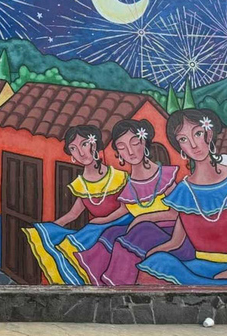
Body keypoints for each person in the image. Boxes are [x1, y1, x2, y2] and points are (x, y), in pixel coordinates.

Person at [137, 108, 227, 285]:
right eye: (183, 139)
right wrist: (152, 253)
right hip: (195, 268)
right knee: (155, 263)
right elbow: (176, 241)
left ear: (209, 133)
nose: (193, 145)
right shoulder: (184, 191)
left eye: (197, 133)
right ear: (180, 147)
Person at [75, 119, 191, 285]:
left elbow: (177, 213)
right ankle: (98, 282)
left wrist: (142, 219)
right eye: (122, 147)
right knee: (110, 232)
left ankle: (117, 283)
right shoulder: (130, 184)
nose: (130, 151)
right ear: (118, 153)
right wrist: (101, 221)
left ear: (144, 143)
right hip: (142, 235)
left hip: (172, 238)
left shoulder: (164, 175)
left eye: (135, 142)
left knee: (142, 229)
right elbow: (124, 210)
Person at [23, 125, 131, 285]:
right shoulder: (81, 184)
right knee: (67, 246)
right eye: (73, 148)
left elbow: (126, 208)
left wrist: (101, 221)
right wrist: (46, 229)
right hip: (97, 230)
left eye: (84, 144)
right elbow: (72, 215)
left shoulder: (118, 176)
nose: (80, 153)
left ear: (94, 145)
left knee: (91, 240)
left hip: (123, 227)